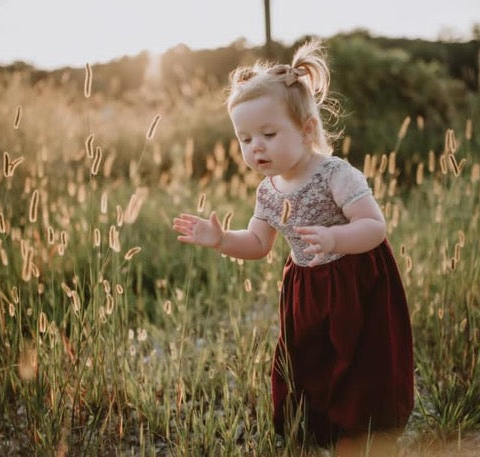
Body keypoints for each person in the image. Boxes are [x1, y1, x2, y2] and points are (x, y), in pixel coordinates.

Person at [172, 39, 413, 456]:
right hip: (307, 288)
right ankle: (319, 430)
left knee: (361, 363)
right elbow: (258, 243)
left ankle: (366, 434)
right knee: (310, 361)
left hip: (356, 281)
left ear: (305, 130)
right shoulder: (268, 192)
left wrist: (336, 238)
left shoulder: (335, 174)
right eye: (245, 139)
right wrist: (222, 240)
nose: (255, 147)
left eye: (267, 134)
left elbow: (375, 226)